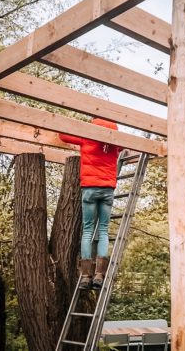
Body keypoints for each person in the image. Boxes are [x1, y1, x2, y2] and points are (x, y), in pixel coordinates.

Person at [59, 118, 121, 289]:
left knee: (88, 230)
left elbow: (62, 135)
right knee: (103, 230)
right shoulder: (116, 144)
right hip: (107, 190)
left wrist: (82, 125)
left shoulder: (86, 138)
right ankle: (99, 275)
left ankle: (86, 276)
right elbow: (125, 145)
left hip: (89, 189)